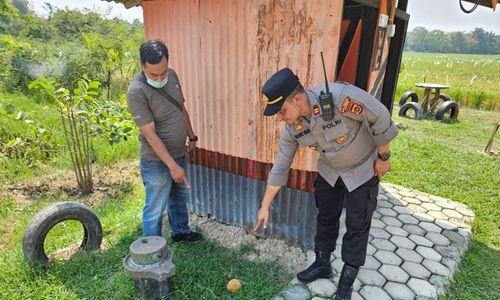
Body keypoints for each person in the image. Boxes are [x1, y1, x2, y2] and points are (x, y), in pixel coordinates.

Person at [254, 68, 398, 299]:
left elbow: (379, 115)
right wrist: (265, 206)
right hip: (330, 171)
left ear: (298, 99)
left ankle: (346, 282)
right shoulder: (293, 127)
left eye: (282, 111)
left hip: (362, 167)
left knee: (357, 224)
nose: (281, 118)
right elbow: (281, 165)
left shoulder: (339, 98)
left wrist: (384, 157)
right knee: (326, 216)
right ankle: (322, 263)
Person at [126, 40, 202, 242]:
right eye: (154, 75)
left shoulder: (173, 75)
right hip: (156, 160)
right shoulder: (136, 92)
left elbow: (181, 107)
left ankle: (181, 232)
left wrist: (191, 135)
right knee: (155, 207)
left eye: (163, 72)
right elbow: (150, 134)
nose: (160, 78)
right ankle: (151, 249)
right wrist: (172, 166)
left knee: (178, 197)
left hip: (178, 152)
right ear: (143, 66)